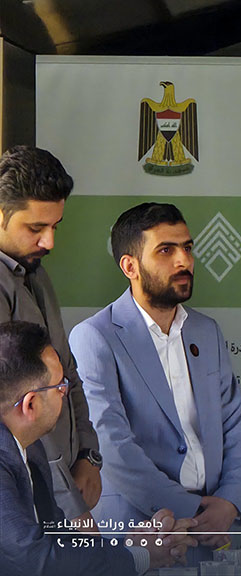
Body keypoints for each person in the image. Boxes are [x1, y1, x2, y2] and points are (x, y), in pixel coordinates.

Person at [69, 203, 241, 551]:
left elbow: (234, 423)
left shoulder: (206, 331)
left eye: (187, 248)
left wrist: (229, 501)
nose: (184, 261)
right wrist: (192, 511)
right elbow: (110, 443)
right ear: (130, 266)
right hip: (139, 531)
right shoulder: (94, 336)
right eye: (166, 250)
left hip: (213, 529)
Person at [0, 320, 197, 576]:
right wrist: (141, 556)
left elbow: (62, 540)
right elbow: (35, 561)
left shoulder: (31, 449)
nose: (65, 393)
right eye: (60, 386)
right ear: (31, 405)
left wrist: (130, 547)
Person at [0, 145, 102, 527]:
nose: (49, 242)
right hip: (25, 501)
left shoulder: (36, 274)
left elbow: (66, 371)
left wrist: (88, 455)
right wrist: (68, 504)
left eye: (54, 227)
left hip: (64, 488)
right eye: (36, 228)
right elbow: (17, 410)